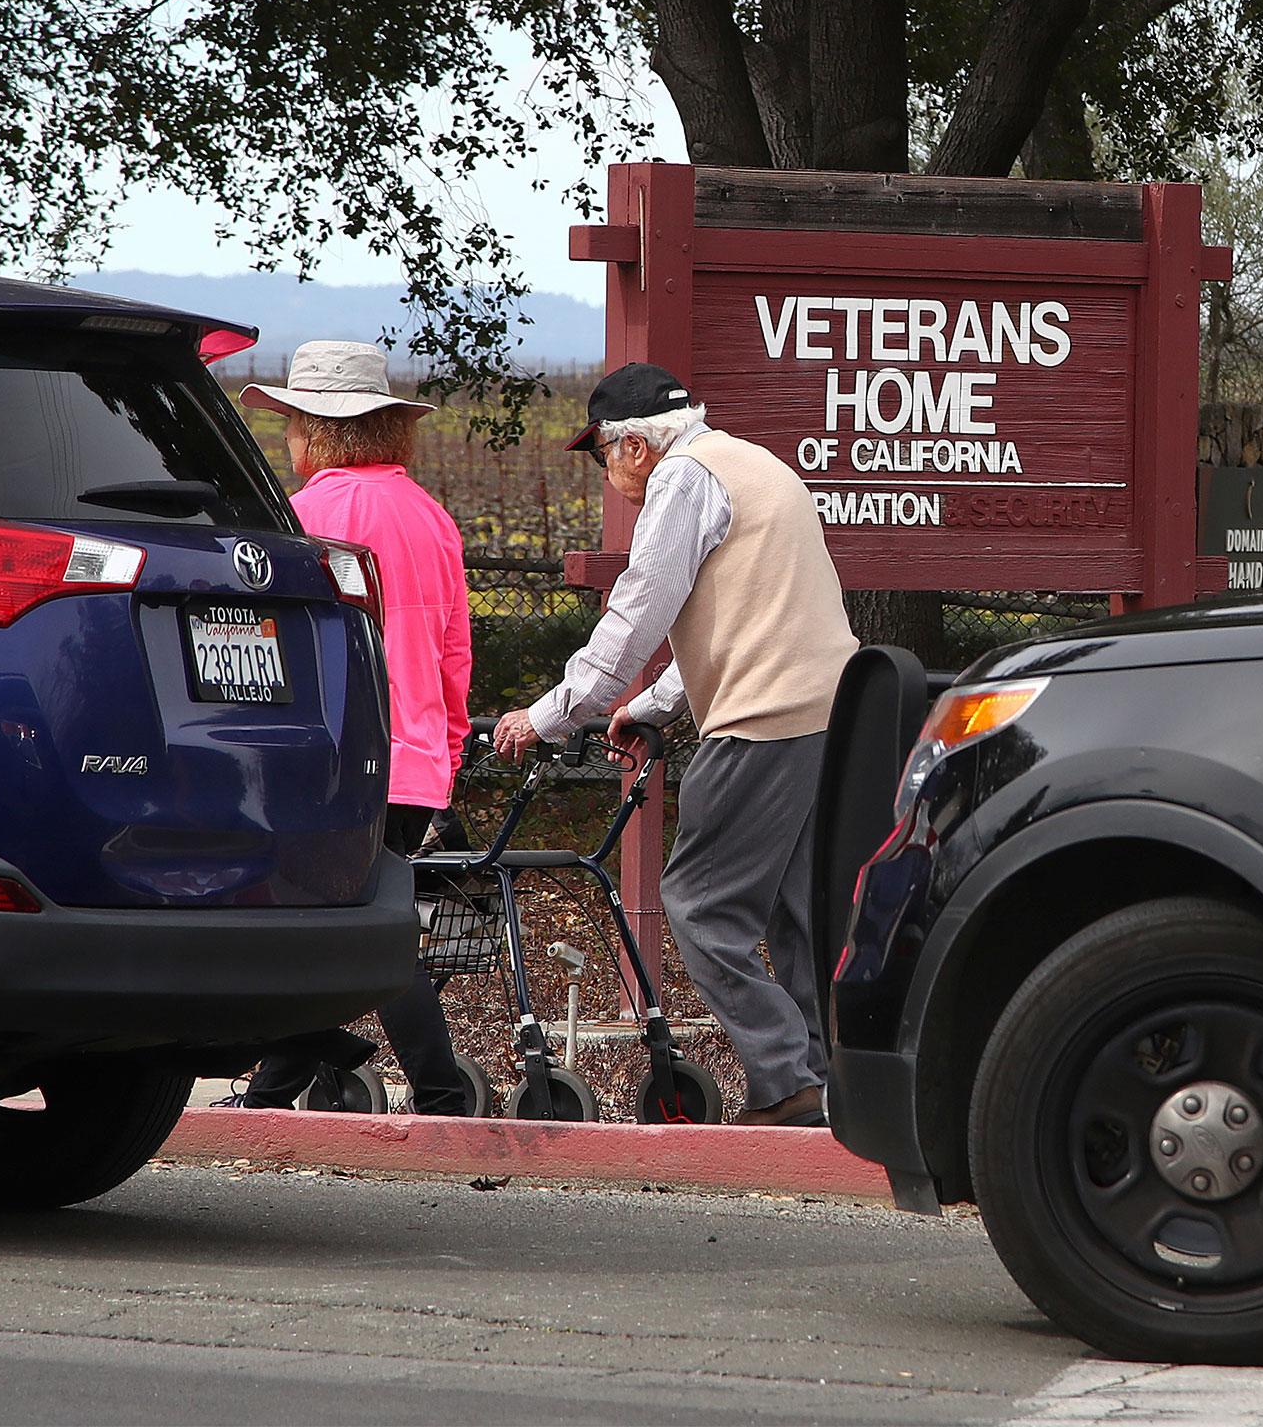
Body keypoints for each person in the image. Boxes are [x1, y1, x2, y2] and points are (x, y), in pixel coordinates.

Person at [493, 363, 856, 1128]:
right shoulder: (751, 464)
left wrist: (548, 715)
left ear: (633, 446)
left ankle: (786, 1081)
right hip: (830, 712)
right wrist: (649, 705)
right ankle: (828, 1083)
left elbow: (636, 616)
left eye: (602, 456)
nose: (607, 474)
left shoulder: (682, 479)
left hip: (764, 718)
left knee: (700, 904)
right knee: (797, 912)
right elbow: (744, 618)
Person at [237, 340, 474, 1115]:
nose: (287, 440)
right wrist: (445, 753)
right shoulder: (434, 519)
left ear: (318, 431)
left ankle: (434, 1094)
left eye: (291, 424)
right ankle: (281, 1090)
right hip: (413, 762)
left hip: (327, 761)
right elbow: (454, 656)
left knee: (323, 924)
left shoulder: (300, 518)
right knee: (356, 919)